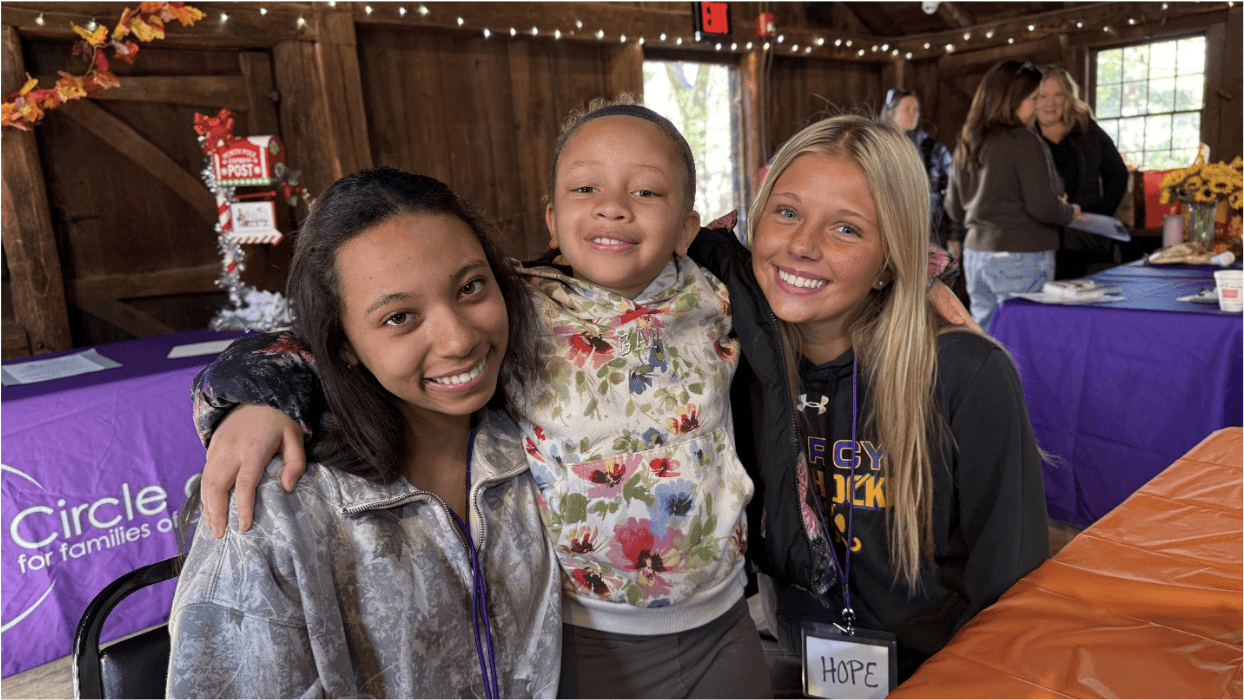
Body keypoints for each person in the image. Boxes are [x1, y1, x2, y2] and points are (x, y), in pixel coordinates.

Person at [188, 97, 774, 699]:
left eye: (646, 193)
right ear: (552, 220)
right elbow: (309, 338)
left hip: (724, 616)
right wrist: (255, 399)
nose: (613, 208)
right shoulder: (532, 306)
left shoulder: (717, 295)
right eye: (586, 189)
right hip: (595, 636)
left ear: (687, 227)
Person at [167, 169, 562, 697]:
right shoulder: (276, 514)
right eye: (400, 316)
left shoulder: (542, 438)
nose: (459, 338)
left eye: (470, 287)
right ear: (342, 342)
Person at [689, 115, 1049, 685]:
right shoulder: (731, 356)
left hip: (945, 674)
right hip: (795, 656)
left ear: (891, 257)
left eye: (847, 229)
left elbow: (1012, 585)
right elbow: (652, 244)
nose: (802, 245)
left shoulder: (966, 373)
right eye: (787, 213)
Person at [945, 59, 1085, 329]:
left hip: (976, 256)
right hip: (1021, 256)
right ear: (1012, 99)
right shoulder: (1024, 141)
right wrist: (1069, 212)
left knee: (987, 342)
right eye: (1033, 98)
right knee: (1023, 344)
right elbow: (1042, 207)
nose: (1037, 106)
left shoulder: (969, 139)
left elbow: (954, 208)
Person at [1036, 65, 1130, 280]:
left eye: (1058, 94)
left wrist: (1098, 213)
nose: (1050, 103)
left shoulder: (1088, 130)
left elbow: (1118, 175)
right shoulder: (1023, 136)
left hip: (1082, 240)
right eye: (1042, 96)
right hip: (1036, 242)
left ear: (1068, 97)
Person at [881, 89, 954, 250]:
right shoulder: (877, 150)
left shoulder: (934, 150)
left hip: (929, 233)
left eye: (916, 109)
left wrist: (954, 234)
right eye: (907, 109)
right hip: (888, 233)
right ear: (890, 113)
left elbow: (953, 192)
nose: (913, 114)